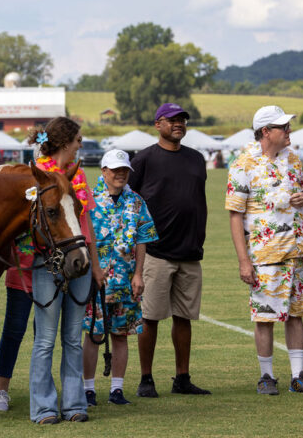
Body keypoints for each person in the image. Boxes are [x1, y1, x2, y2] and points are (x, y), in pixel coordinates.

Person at [226, 105, 303, 395]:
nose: (289, 131)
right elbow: (234, 214)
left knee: (296, 313)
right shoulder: (243, 163)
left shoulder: (294, 159)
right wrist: (244, 261)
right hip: (266, 255)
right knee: (265, 315)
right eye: (283, 127)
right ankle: (266, 376)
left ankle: (298, 375)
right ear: (266, 132)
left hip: (299, 248)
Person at [128, 103, 211, 397]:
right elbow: (130, 201)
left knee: (184, 317)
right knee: (150, 317)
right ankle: (146, 379)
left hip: (190, 252)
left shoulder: (196, 159)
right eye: (172, 120)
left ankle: (182, 378)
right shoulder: (144, 159)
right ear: (158, 123)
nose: (179, 124)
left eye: (182, 120)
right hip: (155, 252)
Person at [28, 117, 102, 424]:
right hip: (47, 264)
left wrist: (95, 266)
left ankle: (74, 405)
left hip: (80, 262)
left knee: (73, 337)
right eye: (78, 140)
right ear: (64, 143)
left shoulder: (78, 175)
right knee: (45, 340)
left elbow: (88, 226)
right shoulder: (36, 176)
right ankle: (44, 408)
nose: (80, 145)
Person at [82, 149, 157, 406]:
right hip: (97, 281)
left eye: (124, 170)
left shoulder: (136, 201)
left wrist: (139, 274)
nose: (120, 175)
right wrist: (92, 269)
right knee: (93, 334)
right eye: (115, 170)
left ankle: (117, 389)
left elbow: (143, 239)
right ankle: (88, 389)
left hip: (126, 280)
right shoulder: (88, 201)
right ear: (103, 171)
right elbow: (82, 239)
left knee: (122, 334)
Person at [0, 235, 35, 412]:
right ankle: (1, 392)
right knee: (12, 333)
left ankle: (41, 391)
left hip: (48, 277)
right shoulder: (20, 206)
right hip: (20, 275)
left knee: (44, 338)